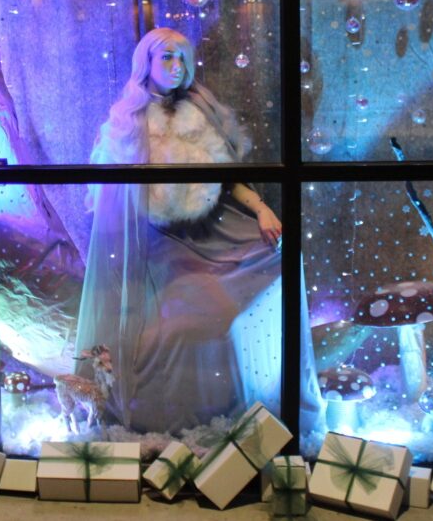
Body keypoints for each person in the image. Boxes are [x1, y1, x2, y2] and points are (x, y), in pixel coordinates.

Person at [75, 27, 322, 433]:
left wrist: (262, 209)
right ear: (147, 62)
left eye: (182, 59)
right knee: (181, 329)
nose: (176, 67)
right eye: (166, 57)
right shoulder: (126, 121)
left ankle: (252, 407)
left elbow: (229, 179)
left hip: (213, 232)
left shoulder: (203, 112)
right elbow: (110, 201)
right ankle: (180, 423)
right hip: (158, 247)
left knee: (279, 259)